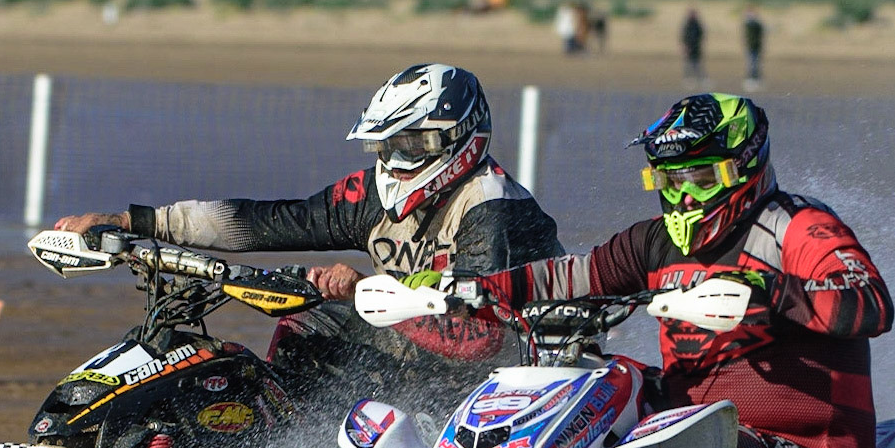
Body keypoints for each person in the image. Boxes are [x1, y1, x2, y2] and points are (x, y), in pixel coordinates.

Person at [347, 93, 894, 448]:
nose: (682, 196)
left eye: (700, 178)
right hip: (690, 420)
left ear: (744, 166)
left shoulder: (797, 228)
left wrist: (766, 289)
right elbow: (568, 277)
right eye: (668, 181)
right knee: (591, 387)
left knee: (651, 440)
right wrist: (461, 289)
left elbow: (870, 302)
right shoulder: (654, 243)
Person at [53, 63, 563, 402]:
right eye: (391, 146)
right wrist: (131, 222)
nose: (400, 161)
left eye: (415, 144)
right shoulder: (372, 195)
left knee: (325, 320)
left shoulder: (493, 209)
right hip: (421, 353)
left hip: (506, 384)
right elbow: (266, 222)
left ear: (459, 139)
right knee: (299, 325)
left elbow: (480, 338)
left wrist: (365, 290)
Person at [742, 7, 765, 91]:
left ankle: (756, 79)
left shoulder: (756, 24)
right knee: (751, 64)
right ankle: (751, 80)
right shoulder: (748, 24)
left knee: (755, 64)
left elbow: (760, 31)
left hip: (756, 47)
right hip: (750, 47)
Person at [681, 8, 705, 85]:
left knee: (697, 63)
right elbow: (684, 36)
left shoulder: (697, 24)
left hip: (696, 46)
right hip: (689, 46)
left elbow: (701, 34)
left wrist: (699, 43)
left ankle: (700, 78)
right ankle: (688, 79)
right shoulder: (687, 24)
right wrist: (685, 46)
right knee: (688, 64)